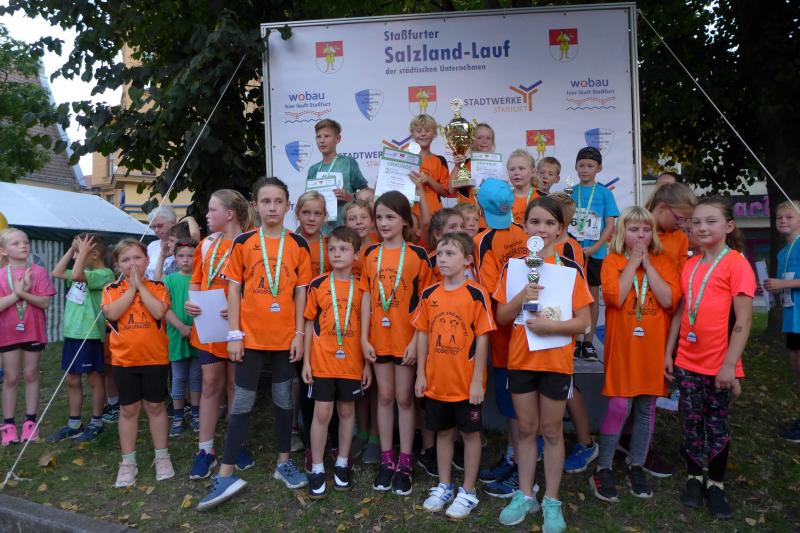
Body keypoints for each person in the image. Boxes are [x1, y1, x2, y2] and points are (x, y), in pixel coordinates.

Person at [198, 177, 312, 510]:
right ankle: (226, 472)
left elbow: (301, 293)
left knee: (283, 400)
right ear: (255, 206)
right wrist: (234, 334)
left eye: (278, 201)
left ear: (288, 206)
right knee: (242, 402)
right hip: (250, 338)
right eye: (266, 201)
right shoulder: (244, 242)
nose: (272, 207)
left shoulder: (298, 245)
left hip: (284, 339)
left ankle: (283, 463)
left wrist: (299, 335)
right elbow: (234, 290)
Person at [493, 197, 592, 531]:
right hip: (521, 359)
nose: (542, 229)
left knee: (551, 430)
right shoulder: (513, 268)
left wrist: (552, 327)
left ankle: (551, 500)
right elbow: (501, 317)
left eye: (550, 223)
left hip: (555, 361)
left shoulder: (570, 270)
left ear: (560, 229)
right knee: (526, 428)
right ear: (525, 227)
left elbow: (584, 322)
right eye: (535, 222)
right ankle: (525, 494)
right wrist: (521, 296)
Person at [664, 197, 755, 520]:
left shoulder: (736, 264)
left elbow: (744, 320)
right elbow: (681, 312)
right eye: (697, 222)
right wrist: (669, 352)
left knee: (716, 425)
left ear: (729, 226)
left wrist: (730, 365)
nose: (702, 227)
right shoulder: (691, 264)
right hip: (687, 361)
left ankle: (716, 484)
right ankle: (694, 478)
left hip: (718, 364)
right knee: (690, 422)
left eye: (710, 221)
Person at [590, 207, 679, 502]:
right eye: (633, 229)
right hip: (623, 349)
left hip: (653, 350)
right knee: (619, 406)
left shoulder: (664, 261)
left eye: (646, 229)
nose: (640, 235)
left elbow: (668, 299)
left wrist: (648, 264)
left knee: (646, 408)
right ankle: (603, 467)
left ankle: (636, 464)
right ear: (621, 233)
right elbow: (615, 297)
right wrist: (633, 263)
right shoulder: (612, 260)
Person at [415, 232, 495, 519]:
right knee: (444, 433)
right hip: (437, 383)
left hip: (466, 385)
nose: (443, 259)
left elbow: (483, 338)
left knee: (470, 435)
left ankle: (468, 491)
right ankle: (444, 485)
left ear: (468, 260)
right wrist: (420, 374)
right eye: (439, 253)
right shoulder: (429, 294)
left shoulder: (476, 294)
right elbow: (422, 334)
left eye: (450, 254)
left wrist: (477, 381)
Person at [360, 191, 433, 496]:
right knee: (385, 396)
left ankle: (405, 461)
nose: (384, 223)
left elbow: (425, 304)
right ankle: (386, 459)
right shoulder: (370, 254)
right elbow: (366, 297)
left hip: (405, 339)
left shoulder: (417, 255)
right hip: (378, 339)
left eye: (390, 217)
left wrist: (416, 341)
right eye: (379, 217)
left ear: (404, 220)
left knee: (404, 398)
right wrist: (363, 338)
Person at [186, 189, 254, 480]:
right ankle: (205, 449)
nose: (207, 215)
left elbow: (259, 288)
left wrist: (241, 308)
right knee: (210, 384)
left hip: (240, 327)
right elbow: (197, 281)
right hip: (209, 326)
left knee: (236, 386)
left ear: (229, 214)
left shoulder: (252, 243)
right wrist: (191, 302)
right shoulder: (206, 244)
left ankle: (236, 444)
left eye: (212, 209)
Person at [473, 179, 531, 499]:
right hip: (528, 329)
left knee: (516, 409)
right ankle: (512, 458)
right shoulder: (523, 231)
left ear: (478, 208)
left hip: (507, 332)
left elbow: (490, 294)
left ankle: (522, 471)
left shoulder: (483, 240)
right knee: (514, 409)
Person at [303, 226, 371, 498]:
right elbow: (309, 323)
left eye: (344, 249)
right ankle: (318, 467)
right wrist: (306, 362)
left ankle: (342, 462)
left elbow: (367, 330)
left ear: (356, 255)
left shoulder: (362, 287)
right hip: (322, 362)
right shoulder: (318, 284)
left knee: (346, 411)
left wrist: (367, 365)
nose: (337, 254)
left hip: (352, 364)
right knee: (322, 413)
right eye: (332, 249)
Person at [101, 239, 174, 487]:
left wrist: (141, 286)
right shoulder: (111, 289)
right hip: (124, 361)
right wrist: (131, 289)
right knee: (128, 410)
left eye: (137, 258)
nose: (132, 264)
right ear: (117, 265)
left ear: (147, 260)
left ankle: (162, 456)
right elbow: (112, 313)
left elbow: (158, 312)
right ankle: (128, 461)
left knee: (155, 406)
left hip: (155, 359)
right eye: (125, 260)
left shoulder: (159, 287)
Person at [49, 234, 114, 443]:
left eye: (79, 252)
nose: (75, 257)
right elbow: (57, 272)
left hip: (89, 334)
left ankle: (96, 421)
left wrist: (82, 252)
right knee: (72, 379)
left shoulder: (105, 274)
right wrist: (72, 249)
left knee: (94, 379)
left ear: (93, 254)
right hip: (72, 334)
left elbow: (76, 275)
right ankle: (74, 424)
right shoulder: (83, 270)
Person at [0, 228, 55, 446]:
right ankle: (8, 425)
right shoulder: (1, 275)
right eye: (16, 243)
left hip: (33, 330)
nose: (23, 245)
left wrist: (24, 293)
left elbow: (45, 302)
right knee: (11, 377)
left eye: (26, 242)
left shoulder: (38, 272)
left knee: (31, 373)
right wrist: (18, 294)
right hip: (7, 333)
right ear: (3, 251)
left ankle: (30, 422)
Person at [570, 146, 619, 361]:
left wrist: (595, 247)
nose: (585, 169)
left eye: (590, 166)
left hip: (595, 253)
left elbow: (610, 225)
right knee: (571, 295)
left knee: (591, 296)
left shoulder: (605, 193)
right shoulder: (570, 192)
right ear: (576, 167)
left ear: (599, 168)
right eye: (581, 165)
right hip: (572, 253)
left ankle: (588, 342)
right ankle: (573, 340)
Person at [764, 200, 800, 441]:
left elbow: (787, 282)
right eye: (779, 218)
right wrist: (774, 288)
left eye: (789, 217)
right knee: (797, 368)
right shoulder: (781, 252)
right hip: (791, 317)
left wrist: (784, 283)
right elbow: (783, 284)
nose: (783, 221)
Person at [163, 240, 201, 437]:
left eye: (190, 256)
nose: (186, 260)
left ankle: (196, 414)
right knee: (178, 377)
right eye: (181, 256)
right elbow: (164, 308)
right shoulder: (169, 280)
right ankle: (178, 416)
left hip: (199, 335)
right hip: (177, 335)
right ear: (175, 258)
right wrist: (180, 326)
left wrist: (195, 329)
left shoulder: (201, 279)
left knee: (196, 377)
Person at [306, 119, 368, 226]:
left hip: (345, 227)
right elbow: (307, 200)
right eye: (318, 137)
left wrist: (351, 197)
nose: (322, 141)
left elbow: (366, 192)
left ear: (338, 139)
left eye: (327, 136)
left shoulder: (348, 163)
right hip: (320, 228)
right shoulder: (313, 169)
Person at [408, 114, 450, 221]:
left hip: (434, 214)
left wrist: (429, 179)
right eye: (419, 131)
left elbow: (445, 192)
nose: (423, 134)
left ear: (434, 134)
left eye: (427, 130)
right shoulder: (405, 159)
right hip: (410, 214)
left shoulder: (440, 160)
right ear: (412, 134)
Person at [452, 122, 494, 228]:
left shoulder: (497, 165)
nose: (484, 141)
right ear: (472, 141)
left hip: (491, 221)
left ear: (492, 142)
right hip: (467, 222)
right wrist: (457, 166)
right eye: (479, 137)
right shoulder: (464, 164)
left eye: (488, 138)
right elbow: (450, 190)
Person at [296, 191, 331, 277]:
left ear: (324, 216)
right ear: (297, 214)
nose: (311, 218)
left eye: (317, 213)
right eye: (306, 212)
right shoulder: (289, 243)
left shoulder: (331, 245)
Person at [507, 149, 541, 225]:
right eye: (512, 169)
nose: (516, 172)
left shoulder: (541, 197)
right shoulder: (503, 198)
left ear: (533, 172)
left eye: (521, 168)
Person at [145, 206, 178, 279]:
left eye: (160, 226)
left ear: (173, 223)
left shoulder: (183, 244)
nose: (156, 230)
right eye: (153, 227)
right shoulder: (152, 246)